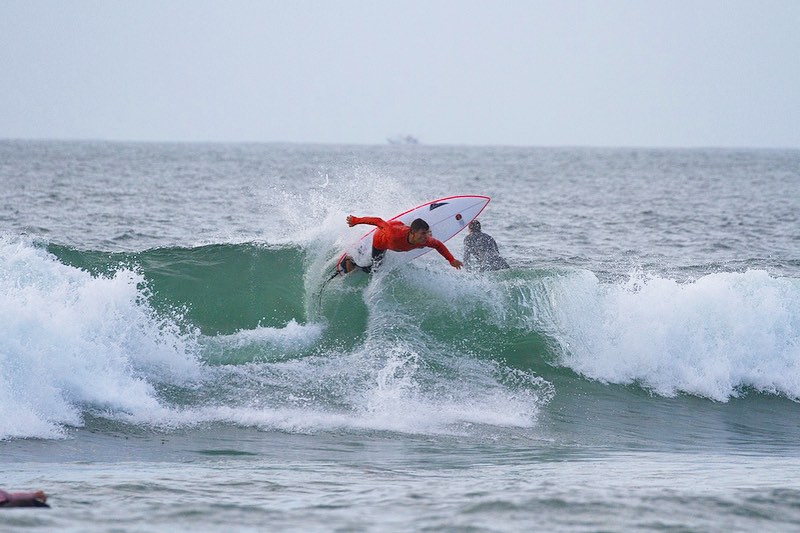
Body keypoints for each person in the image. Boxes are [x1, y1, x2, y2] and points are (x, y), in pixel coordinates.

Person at [343, 215, 463, 273]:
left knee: (424, 243)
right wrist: (356, 221)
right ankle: (351, 261)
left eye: (427, 233)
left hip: (399, 225)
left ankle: (411, 224)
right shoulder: (393, 235)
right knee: (375, 269)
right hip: (381, 240)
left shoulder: (425, 240)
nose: (426, 237)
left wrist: (451, 260)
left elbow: (438, 245)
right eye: (423, 233)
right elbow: (378, 221)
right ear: (413, 232)